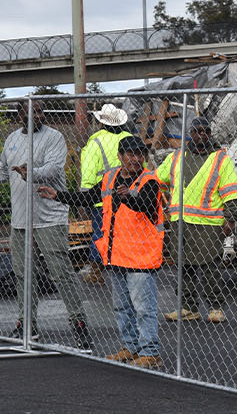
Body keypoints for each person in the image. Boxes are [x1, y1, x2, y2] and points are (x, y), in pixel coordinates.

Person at [0, 100, 92, 349]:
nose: (37, 115)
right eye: (31, 112)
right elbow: (2, 172)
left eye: (40, 110)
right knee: (24, 275)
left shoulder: (54, 138)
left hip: (49, 219)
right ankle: (27, 325)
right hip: (21, 221)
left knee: (62, 273)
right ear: (19, 116)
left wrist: (30, 172)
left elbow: (54, 170)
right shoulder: (12, 139)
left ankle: (78, 323)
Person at [39, 136, 162, 367]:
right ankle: (131, 347)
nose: (135, 158)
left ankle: (151, 352)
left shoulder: (148, 181)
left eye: (139, 154)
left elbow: (145, 204)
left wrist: (128, 198)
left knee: (144, 308)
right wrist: (58, 195)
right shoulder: (110, 178)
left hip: (140, 259)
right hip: (117, 256)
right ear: (120, 156)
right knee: (122, 307)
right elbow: (87, 197)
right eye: (129, 154)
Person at [158, 117, 237, 324]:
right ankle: (188, 308)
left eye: (205, 131)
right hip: (181, 222)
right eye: (197, 131)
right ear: (190, 134)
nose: (202, 135)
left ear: (210, 134)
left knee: (209, 268)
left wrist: (230, 220)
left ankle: (215, 307)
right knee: (183, 266)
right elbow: (157, 180)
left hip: (207, 224)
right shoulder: (176, 157)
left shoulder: (220, 159)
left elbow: (231, 192)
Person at [80, 103, 132, 265]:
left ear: (102, 122)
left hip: (101, 197)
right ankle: (122, 262)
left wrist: (85, 197)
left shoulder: (96, 142)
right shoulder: (129, 138)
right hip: (127, 195)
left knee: (101, 232)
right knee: (124, 232)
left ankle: (97, 269)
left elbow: (88, 172)